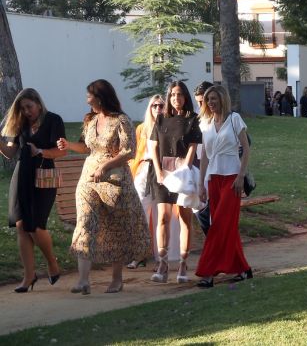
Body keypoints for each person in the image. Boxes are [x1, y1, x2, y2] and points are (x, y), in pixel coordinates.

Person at [57, 79, 150, 294]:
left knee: (115, 227)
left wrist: (106, 166)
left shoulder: (121, 120)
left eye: (89, 96)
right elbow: (86, 147)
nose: (87, 100)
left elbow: (129, 151)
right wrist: (69, 145)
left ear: (100, 97)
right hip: (89, 178)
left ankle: (117, 279)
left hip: (114, 181)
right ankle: (83, 280)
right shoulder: (90, 120)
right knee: (85, 223)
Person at [0, 88, 66, 293]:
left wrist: (41, 151)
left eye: (29, 107)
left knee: (35, 226)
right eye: (22, 108)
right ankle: (29, 276)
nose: (26, 112)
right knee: (21, 225)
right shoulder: (21, 123)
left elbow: (61, 151)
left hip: (44, 175)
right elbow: (10, 152)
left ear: (38, 103)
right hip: (22, 175)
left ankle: (52, 264)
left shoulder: (53, 120)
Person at [195, 85, 253, 288]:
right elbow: (204, 155)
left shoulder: (235, 119)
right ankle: (242, 268)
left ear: (222, 99)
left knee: (219, 224)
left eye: (214, 98)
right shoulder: (206, 123)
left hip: (232, 178)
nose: (210, 102)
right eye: (208, 99)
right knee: (226, 226)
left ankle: (207, 272)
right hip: (213, 178)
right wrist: (201, 184)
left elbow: (246, 149)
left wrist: (241, 176)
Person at [149, 81, 202, 284]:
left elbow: (193, 147)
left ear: (185, 97)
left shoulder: (192, 119)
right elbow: (153, 147)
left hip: (182, 174)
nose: (175, 98)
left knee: (184, 218)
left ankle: (182, 263)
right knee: (163, 216)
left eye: (179, 94)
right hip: (162, 174)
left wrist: (184, 170)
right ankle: (162, 263)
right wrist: (158, 171)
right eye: (172, 95)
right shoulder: (161, 119)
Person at [127, 94, 178, 270]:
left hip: (164, 171)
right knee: (139, 212)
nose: (157, 108)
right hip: (144, 172)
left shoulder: (170, 126)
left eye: (161, 105)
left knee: (162, 215)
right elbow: (135, 153)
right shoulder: (142, 128)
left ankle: (162, 257)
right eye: (154, 105)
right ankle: (139, 254)